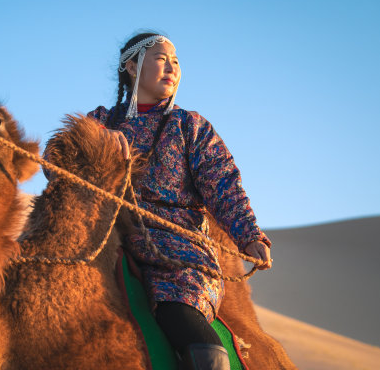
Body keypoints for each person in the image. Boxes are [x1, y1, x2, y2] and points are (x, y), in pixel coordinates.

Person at [86, 32, 272, 370]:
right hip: (105, 240)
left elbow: (223, 184)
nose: (172, 66)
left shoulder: (191, 126)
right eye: (161, 58)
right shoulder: (100, 123)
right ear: (131, 66)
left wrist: (249, 235)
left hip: (176, 255)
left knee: (191, 330)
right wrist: (100, 149)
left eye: (176, 61)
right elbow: (57, 164)